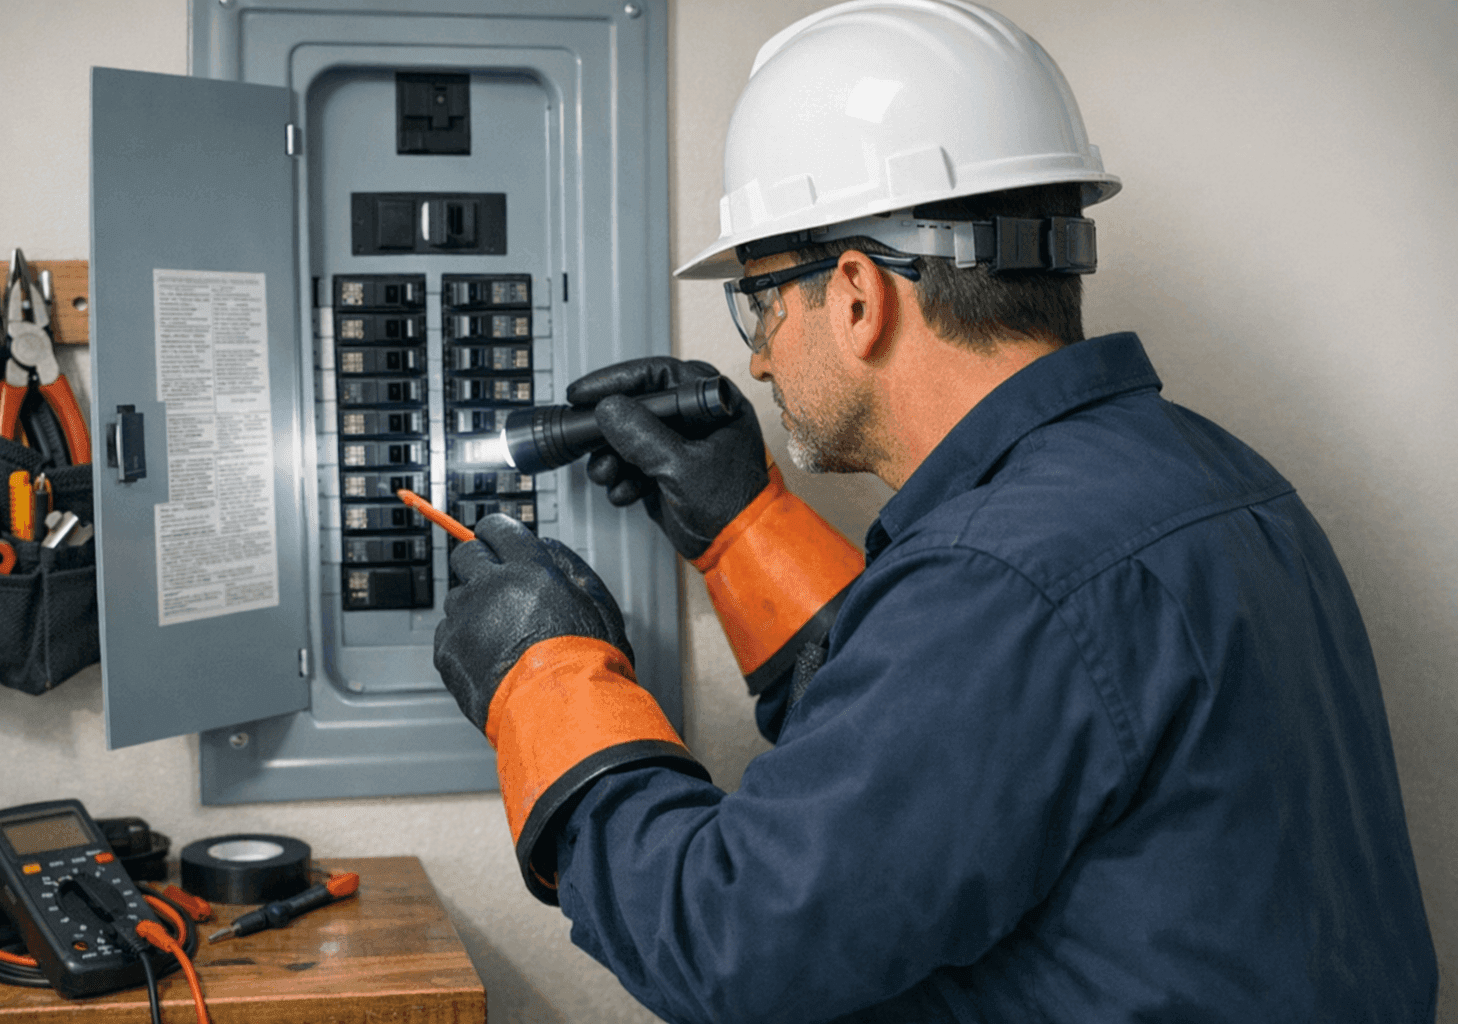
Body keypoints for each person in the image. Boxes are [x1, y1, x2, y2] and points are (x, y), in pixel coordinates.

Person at [433, 1, 1438, 1020]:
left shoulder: (1004, 578)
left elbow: (733, 940)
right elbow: (976, 741)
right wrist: (747, 529)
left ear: (860, 295)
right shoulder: (1217, 480)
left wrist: (541, 676)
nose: (757, 356)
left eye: (762, 301)